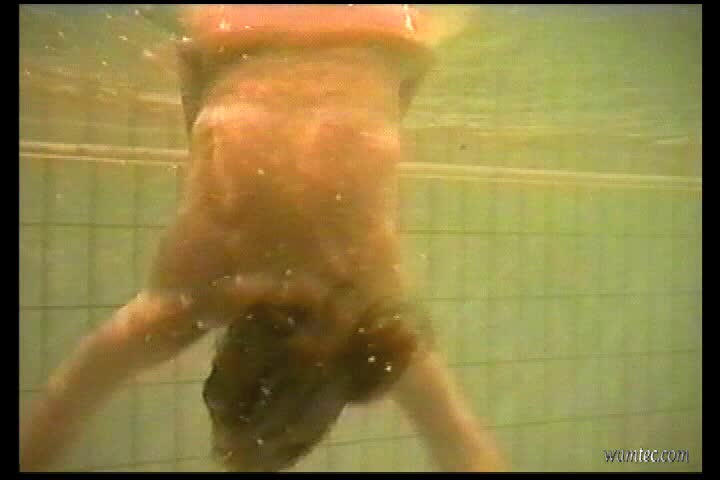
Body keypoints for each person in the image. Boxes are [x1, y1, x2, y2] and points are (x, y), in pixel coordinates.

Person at [20, 5, 505, 472]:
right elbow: (61, 407)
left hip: (383, 37)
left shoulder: (368, 319)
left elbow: (462, 445)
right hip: (241, 34)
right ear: (224, 368)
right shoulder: (181, 305)